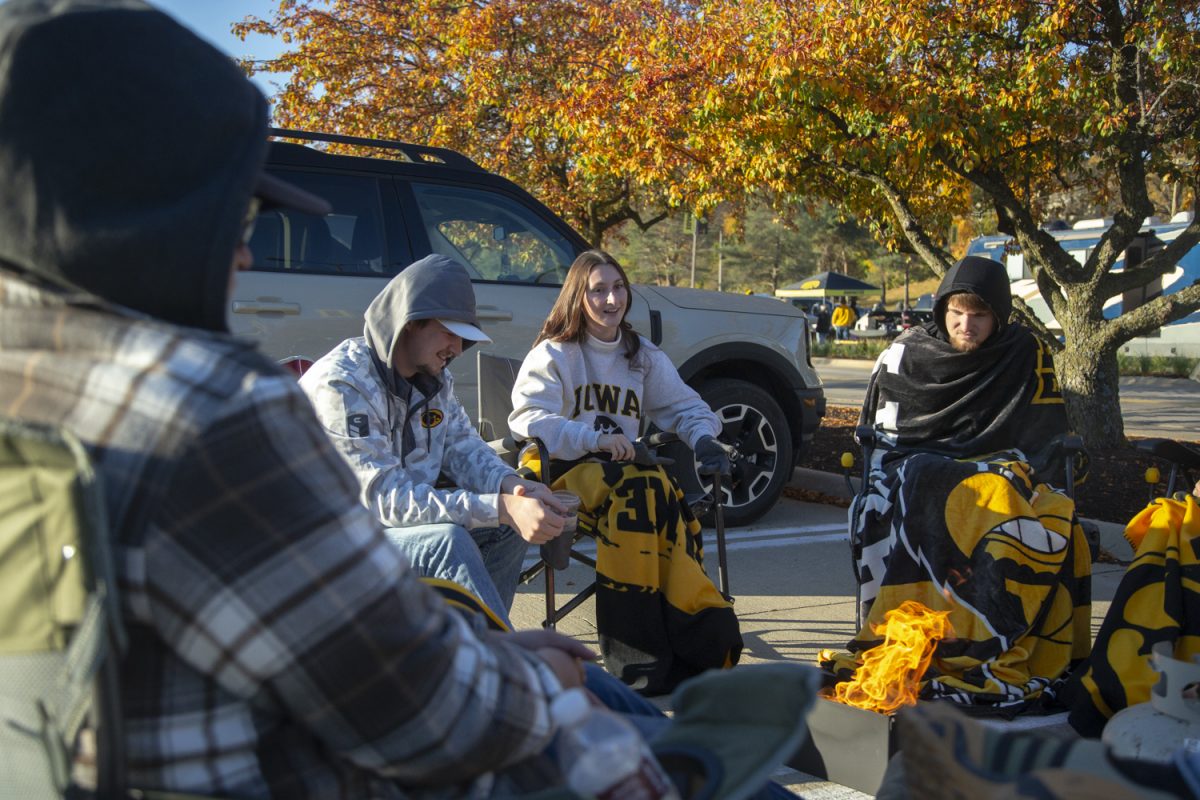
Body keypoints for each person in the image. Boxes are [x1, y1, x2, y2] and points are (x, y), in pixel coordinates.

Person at [0, 3, 673, 796]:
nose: (247, 250)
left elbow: (453, 462)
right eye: (237, 214)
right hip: (352, 716)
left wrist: (509, 492)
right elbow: (424, 714)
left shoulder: (34, 384)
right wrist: (521, 680)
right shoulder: (209, 409)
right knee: (625, 721)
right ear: (150, 207)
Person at [824, 255, 1092, 711]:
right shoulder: (907, 352)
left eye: (980, 315)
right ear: (941, 311)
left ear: (1000, 315)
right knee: (924, 478)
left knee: (1009, 497)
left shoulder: (1024, 352)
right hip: (913, 462)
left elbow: (1047, 433)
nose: (966, 325)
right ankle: (926, 633)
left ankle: (986, 638)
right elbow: (881, 435)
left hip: (1001, 464)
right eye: (957, 314)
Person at [509, 249, 742, 695]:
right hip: (564, 473)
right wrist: (592, 439)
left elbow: (686, 406)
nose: (611, 299)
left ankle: (674, 639)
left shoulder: (641, 356)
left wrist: (705, 438)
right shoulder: (555, 354)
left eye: (618, 288)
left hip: (625, 478)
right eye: (598, 290)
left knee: (652, 488)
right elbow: (527, 420)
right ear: (579, 297)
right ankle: (641, 653)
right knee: (645, 490)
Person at [300, 255, 566, 624]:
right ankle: (500, 663)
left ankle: (471, 646)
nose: (457, 349)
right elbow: (384, 501)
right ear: (411, 322)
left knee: (508, 527)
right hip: (328, 546)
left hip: (390, 538)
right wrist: (499, 507)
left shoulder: (433, 382)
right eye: (450, 333)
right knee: (449, 542)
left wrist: (515, 488)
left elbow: (464, 447)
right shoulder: (344, 385)